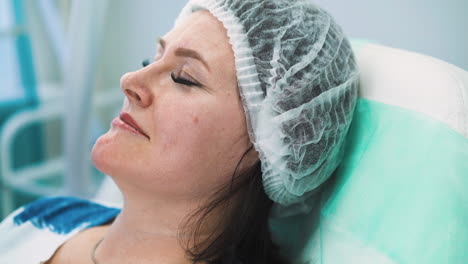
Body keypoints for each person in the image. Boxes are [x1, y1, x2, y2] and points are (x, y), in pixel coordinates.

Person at [0, 0, 359, 263]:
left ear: (269, 146)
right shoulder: (48, 215)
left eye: (183, 78)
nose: (130, 81)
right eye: (151, 60)